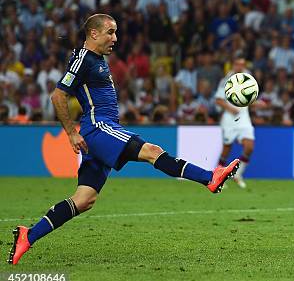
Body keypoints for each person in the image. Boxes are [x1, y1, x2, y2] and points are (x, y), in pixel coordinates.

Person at [7, 14, 240, 265]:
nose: (115, 38)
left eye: (115, 32)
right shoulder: (84, 59)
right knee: (152, 151)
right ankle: (210, 178)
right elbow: (57, 96)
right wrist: (72, 133)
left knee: (84, 199)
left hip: (101, 131)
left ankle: (28, 236)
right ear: (94, 34)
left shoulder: (95, 59)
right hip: (98, 127)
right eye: (110, 32)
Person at [215, 53, 255, 189]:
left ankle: (237, 174)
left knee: (249, 146)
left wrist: (257, 102)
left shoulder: (248, 77)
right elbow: (218, 100)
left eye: (242, 64)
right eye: (238, 64)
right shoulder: (226, 80)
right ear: (233, 65)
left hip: (244, 118)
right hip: (229, 119)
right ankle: (218, 176)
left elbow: (250, 96)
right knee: (227, 148)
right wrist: (230, 108)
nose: (240, 67)